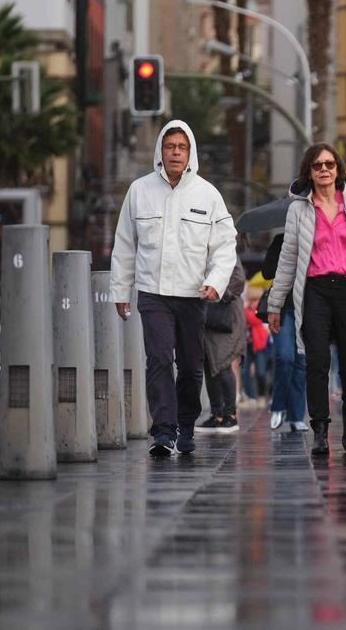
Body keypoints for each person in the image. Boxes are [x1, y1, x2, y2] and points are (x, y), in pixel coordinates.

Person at [110, 120, 237, 457]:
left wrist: (215, 282)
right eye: (170, 147)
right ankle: (163, 432)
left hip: (194, 295)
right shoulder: (139, 191)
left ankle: (185, 424)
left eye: (182, 147)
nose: (176, 152)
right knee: (160, 360)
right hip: (153, 294)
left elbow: (225, 245)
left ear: (190, 152)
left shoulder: (208, 194)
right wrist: (120, 291)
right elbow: (125, 244)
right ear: (160, 152)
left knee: (192, 366)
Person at [266, 143, 346, 456]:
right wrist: (275, 304)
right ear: (309, 171)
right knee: (316, 360)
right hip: (315, 291)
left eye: (329, 164)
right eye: (317, 165)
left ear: (338, 168)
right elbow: (288, 258)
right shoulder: (298, 210)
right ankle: (319, 427)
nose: (324, 170)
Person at [262, 233, 308, 432]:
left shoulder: (313, 238)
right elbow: (266, 272)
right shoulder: (280, 240)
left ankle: (296, 416)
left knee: (301, 361)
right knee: (284, 356)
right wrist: (288, 263)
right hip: (282, 307)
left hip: (307, 307)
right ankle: (278, 405)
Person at [197, 260, 246, 435]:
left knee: (223, 363)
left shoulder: (227, 250)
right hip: (209, 316)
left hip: (226, 317)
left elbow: (238, 280)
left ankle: (230, 415)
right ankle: (217, 415)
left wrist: (218, 293)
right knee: (210, 365)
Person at [242, 300, 271, 401]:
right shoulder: (245, 308)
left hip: (259, 345)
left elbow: (255, 319)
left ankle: (262, 395)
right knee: (244, 372)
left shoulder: (260, 307)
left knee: (261, 372)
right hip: (247, 345)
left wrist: (247, 310)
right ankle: (252, 397)